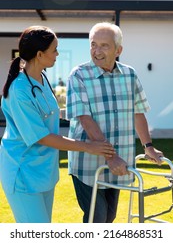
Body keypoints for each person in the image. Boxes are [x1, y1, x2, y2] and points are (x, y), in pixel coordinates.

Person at [0, 25, 114, 223]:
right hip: (23, 174)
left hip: (44, 173)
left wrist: (83, 112)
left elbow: (48, 113)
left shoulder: (42, 78)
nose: (57, 54)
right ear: (40, 54)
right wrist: (88, 147)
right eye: (54, 50)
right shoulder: (20, 90)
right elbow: (42, 137)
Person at [66, 22, 164, 223]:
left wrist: (149, 147)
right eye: (93, 44)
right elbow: (84, 118)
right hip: (89, 165)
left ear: (119, 50)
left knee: (109, 218)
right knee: (97, 218)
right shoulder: (79, 75)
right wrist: (111, 157)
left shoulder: (130, 75)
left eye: (104, 45)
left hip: (121, 162)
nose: (97, 51)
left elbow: (138, 112)